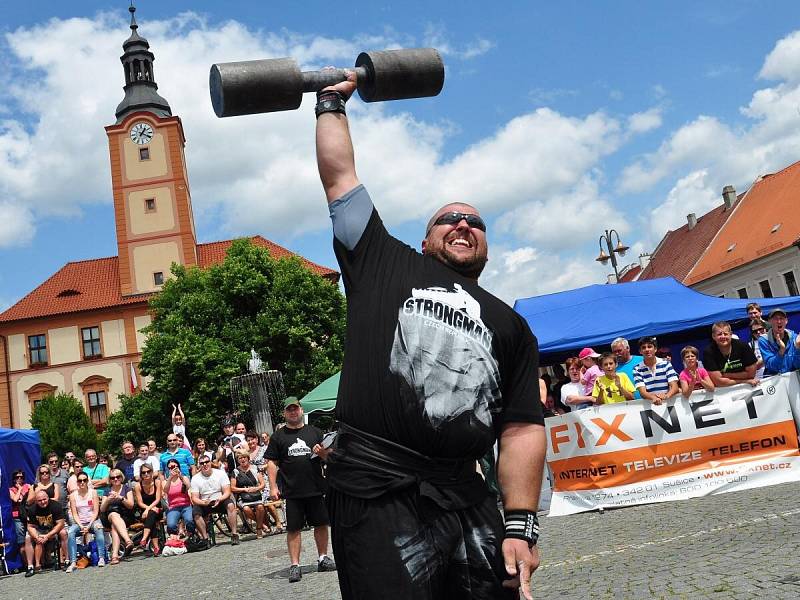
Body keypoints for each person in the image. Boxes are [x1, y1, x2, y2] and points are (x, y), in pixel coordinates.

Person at [313, 72, 544, 600]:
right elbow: (339, 177)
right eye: (449, 220)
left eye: (475, 222)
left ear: (485, 244)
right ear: (425, 239)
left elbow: (522, 429)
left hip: (467, 493)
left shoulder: (511, 325)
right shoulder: (381, 262)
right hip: (377, 492)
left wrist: (521, 524)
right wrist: (330, 103)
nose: (463, 225)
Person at [266, 397, 334, 582]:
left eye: (295, 409)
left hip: (315, 487)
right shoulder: (278, 436)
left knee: (321, 524)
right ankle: (295, 565)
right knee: (294, 529)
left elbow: (329, 457)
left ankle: (322, 558)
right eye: (289, 410)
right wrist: (272, 486)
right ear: (284, 413)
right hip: (292, 491)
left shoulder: (315, 432)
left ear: (301, 410)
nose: (293, 412)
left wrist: (323, 453)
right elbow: (271, 462)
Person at [190, 454, 240, 545]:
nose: (205, 464)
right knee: (195, 512)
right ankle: (205, 538)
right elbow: (194, 498)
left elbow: (227, 492)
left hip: (220, 499)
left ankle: (234, 533)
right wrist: (203, 503)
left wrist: (219, 499)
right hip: (205, 502)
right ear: (199, 465)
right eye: (202, 463)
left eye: (206, 462)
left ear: (210, 463)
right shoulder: (195, 478)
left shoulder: (220, 473)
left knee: (231, 505)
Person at [65, 471, 106, 572]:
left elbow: (96, 511)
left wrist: (89, 526)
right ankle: (73, 561)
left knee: (98, 529)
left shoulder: (93, 493)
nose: (82, 482)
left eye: (84, 480)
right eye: (80, 480)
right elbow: (74, 514)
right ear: (77, 482)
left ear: (87, 481)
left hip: (93, 520)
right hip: (80, 522)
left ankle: (101, 557)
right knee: (70, 532)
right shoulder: (73, 495)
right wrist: (81, 526)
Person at [24, 490, 67, 577]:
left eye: (44, 499)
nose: (43, 502)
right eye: (40, 501)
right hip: (39, 530)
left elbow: (60, 524)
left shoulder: (56, 505)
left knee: (63, 533)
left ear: (48, 498)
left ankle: (67, 561)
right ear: (36, 501)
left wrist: (47, 536)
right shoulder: (32, 509)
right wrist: (37, 537)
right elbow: (30, 527)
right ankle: (30, 567)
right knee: (28, 538)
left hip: (54, 529)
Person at [703, 321, 759, 387]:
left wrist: (727, 375)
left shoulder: (743, 346)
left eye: (725, 334)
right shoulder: (709, 352)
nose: (723, 337)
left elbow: (751, 374)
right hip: (724, 391)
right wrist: (745, 381)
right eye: (719, 334)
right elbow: (719, 382)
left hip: (748, 387)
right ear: (713, 336)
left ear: (731, 334)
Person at [100, 469, 135, 564]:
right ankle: (127, 540)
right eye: (113, 478)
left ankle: (114, 555)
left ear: (121, 477)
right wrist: (107, 500)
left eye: (118, 477)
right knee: (114, 515)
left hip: (125, 515)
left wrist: (121, 498)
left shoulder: (126, 488)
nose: (115, 479)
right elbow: (102, 509)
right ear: (110, 480)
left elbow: (131, 505)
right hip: (110, 515)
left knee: (114, 526)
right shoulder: (107, 490)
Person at [231, 451, 269, 537]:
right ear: (238, 460)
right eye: (240, 458)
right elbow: (232, 488)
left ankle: (259, 529)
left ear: (248, 458)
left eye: (244, 457)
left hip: (256, 494)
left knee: (260, 507)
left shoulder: (255, 468)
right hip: (243, 496)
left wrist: (256, 488)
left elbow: (262, 484)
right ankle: (262, 525)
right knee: (246, 509)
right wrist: (245, 489)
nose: (243, 459)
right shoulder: (235, 471)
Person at [632, 336, 679, 405]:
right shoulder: (637, 369)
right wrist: (654, 398)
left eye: (649, 346)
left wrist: (666, 396)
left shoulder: (666, 364)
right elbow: (642, 393)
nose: (647, 349)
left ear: (655, 349)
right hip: (650, 406)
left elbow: (675, 387)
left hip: (669, 404)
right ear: (640, 351)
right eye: (643, 347)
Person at [758, 308, 800, 376]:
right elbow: (773, 367)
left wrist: (798, 348)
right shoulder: (764, 340)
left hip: (793, 379)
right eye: (775, 319)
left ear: (786, 321)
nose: (779, 321)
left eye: (781, 318)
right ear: (769, 321)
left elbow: (797, 365)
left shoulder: (794, 337)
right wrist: (782, 350)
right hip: (775, 380)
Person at [133, 464, 162, 556]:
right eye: (143, 472)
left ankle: (144, 539)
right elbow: (140, 502)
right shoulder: (138, 486)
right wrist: (148, 509)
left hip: (157, 508)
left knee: (152, 513)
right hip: (146, 510)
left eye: (148, 472)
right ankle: (156, 548)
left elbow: (157, 499)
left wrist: (148, 509)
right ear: (141, 474)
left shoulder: (157, 482)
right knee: (151, 517)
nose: (146, 474)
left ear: (152, 472)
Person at [163, 459, 195, 541]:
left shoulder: (184, 478)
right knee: (171, 525)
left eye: (175, 467)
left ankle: (190, 536)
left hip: (186, 505)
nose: (173, 469)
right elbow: (165, 490)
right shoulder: (165, 481)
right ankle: (175, 539)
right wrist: (170, 478)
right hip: (173, 507)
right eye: (171, 467)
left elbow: (188, 486)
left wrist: (180, 477)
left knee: (189, 520)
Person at [9, 469, 31, 565]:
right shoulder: (11, 490)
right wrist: (20, 489)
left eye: (21, 477)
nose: (19, 479)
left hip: (29, 515)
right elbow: (15, 499)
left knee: (31, 539)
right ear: (14, 479)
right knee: (21, 541)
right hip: (17, 516)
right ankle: (27, 564)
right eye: (17, 477)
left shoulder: (29, 486)